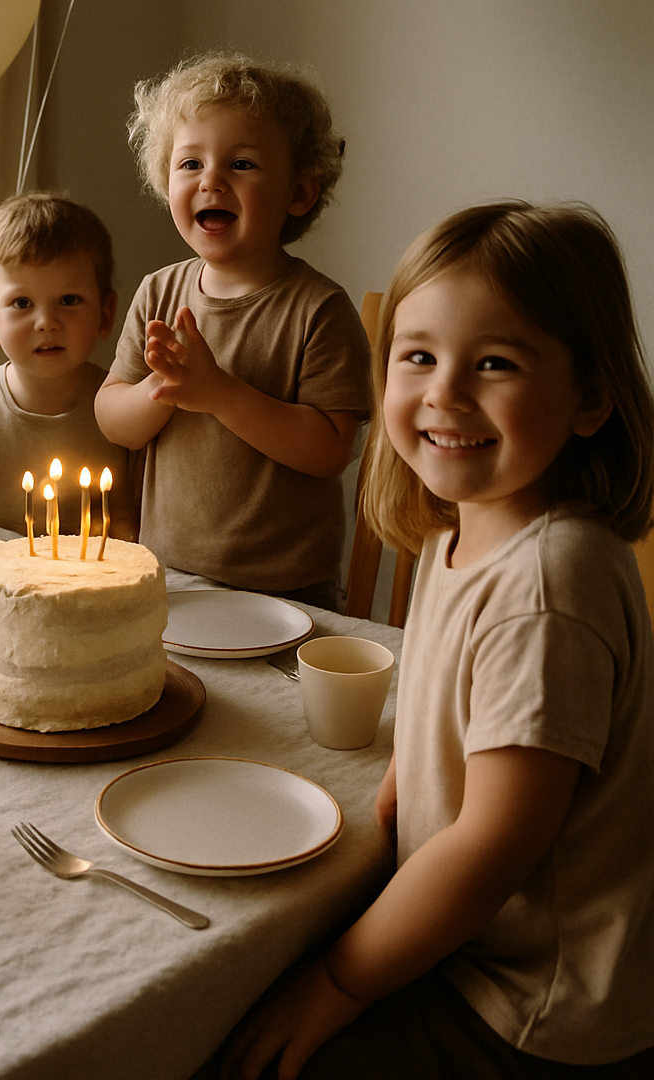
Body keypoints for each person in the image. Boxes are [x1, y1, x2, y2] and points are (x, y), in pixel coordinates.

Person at [224, 201, 654, 1079]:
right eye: (418, 356)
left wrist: (339, 983)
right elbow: (464, 724)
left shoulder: (549, 583)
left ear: (590, 397)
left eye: (495, 363)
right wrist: (404, 789)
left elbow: (492, 843)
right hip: (481, 945)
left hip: (534, 1007)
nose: (445, 393)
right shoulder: (458, 533)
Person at [95, 51, 370, 606]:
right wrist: (161, 389)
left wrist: (219, 393)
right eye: (189, 163)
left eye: (241, 164)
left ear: (299, 192)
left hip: (288, 593)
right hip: (169, 578)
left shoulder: (319, 309)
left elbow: (330, 450)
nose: (211, 180)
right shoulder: (158, 293)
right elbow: (114, 420)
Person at [0, 192, 139, 539]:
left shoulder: (124, 408)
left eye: (69, 300)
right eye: (22, 302)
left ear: (105, 314)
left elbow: (131, 528)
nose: (46, 321)